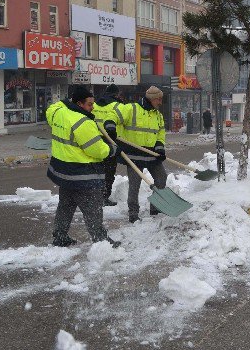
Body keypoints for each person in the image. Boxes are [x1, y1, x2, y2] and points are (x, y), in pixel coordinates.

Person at [46, 86, 121, 248]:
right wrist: (112, 149)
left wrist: (68, 102)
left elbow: (54, 106)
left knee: (65, 207)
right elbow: (97, 150)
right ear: (79, 104)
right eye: (89, 104)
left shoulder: (58, 113)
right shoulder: (83, 122)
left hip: (63, 173)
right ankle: (101, 242)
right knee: (93, 211)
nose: (92, 107)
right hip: (82, 175)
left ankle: (59, 236)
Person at [118, 86, 167, 223]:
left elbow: (161, 132)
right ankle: (133, 213)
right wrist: (110, 124)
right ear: (152, 99)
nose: (160, 102)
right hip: (134, 155)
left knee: (162, 178)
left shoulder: (158, 115)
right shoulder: (131, 109)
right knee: (134, 185)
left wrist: (160, 146)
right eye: (159, 99)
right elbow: (115, 115)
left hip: (152, 154)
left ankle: (155, 208)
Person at [92, 84, 125, 207]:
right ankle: (104, 197)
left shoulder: (94, 105)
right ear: (116, 94)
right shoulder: (118, 106)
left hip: (95, 142)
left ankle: (94, 195)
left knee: (96, 170)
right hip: (111, 142)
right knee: (109, 171)